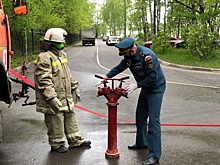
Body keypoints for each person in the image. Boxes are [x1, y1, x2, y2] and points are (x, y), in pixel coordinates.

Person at [96, 38, 166, 165]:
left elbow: (153, 77)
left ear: (132, 51)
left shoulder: (148, 56)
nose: (124, 56)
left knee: (153, 122)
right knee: (140, 115)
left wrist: (137, 85)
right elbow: (120, 67)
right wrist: (106, 77)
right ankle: (141, 143)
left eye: (124, 54)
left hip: (156, 88)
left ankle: (155, 156)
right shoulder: (129, 57)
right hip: (146, 87)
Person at [34, 28, 91, 153]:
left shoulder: (61, 55)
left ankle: (76, 140)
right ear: (52, 43)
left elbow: (67, 73)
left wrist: (74, 86)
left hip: (65, 95)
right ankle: (57, 143)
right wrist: (51, 97)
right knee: (55, 119)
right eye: (61, 41)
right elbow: (44, 80)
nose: (64, 43)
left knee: (70, 116)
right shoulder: (45, 57)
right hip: (53, 96)